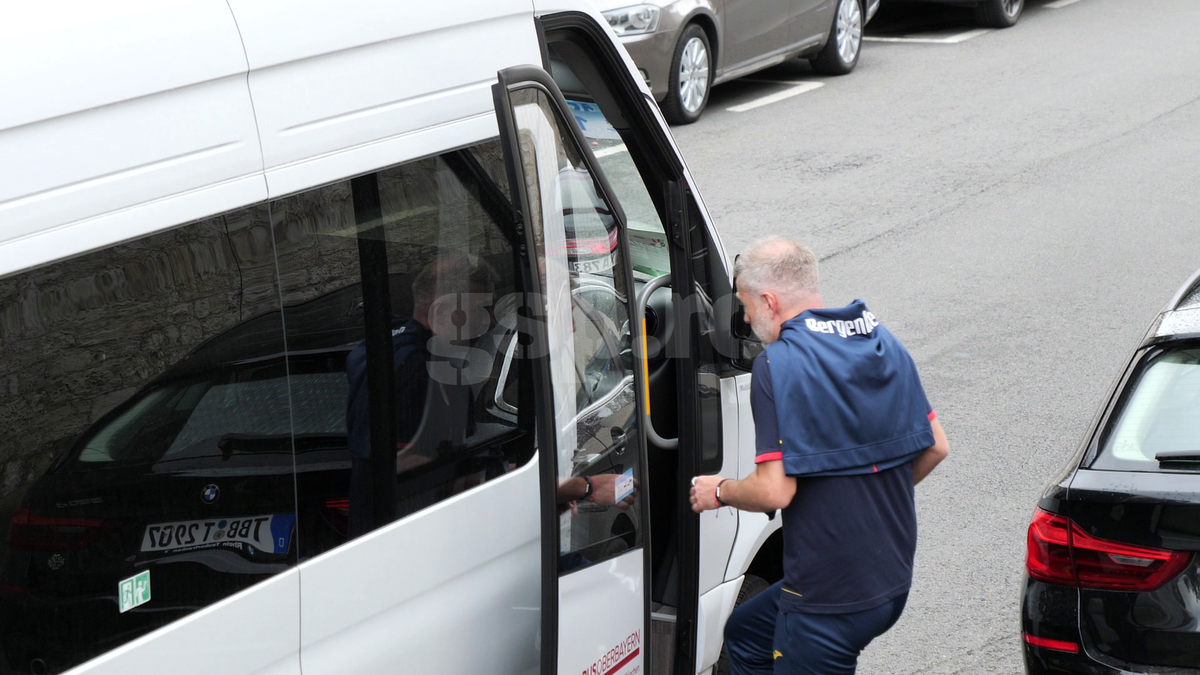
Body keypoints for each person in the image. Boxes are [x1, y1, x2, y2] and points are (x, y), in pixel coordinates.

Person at [690, 237, 949, 675]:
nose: (746, 317)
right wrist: (863, 496)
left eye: (746, 305)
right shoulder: (879, 340)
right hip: (889, 582)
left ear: (769, 301)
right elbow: (936, 446)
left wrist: (719, 491)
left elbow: (774, 491)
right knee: (746, 635)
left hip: (826, 600)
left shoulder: (776, 366)